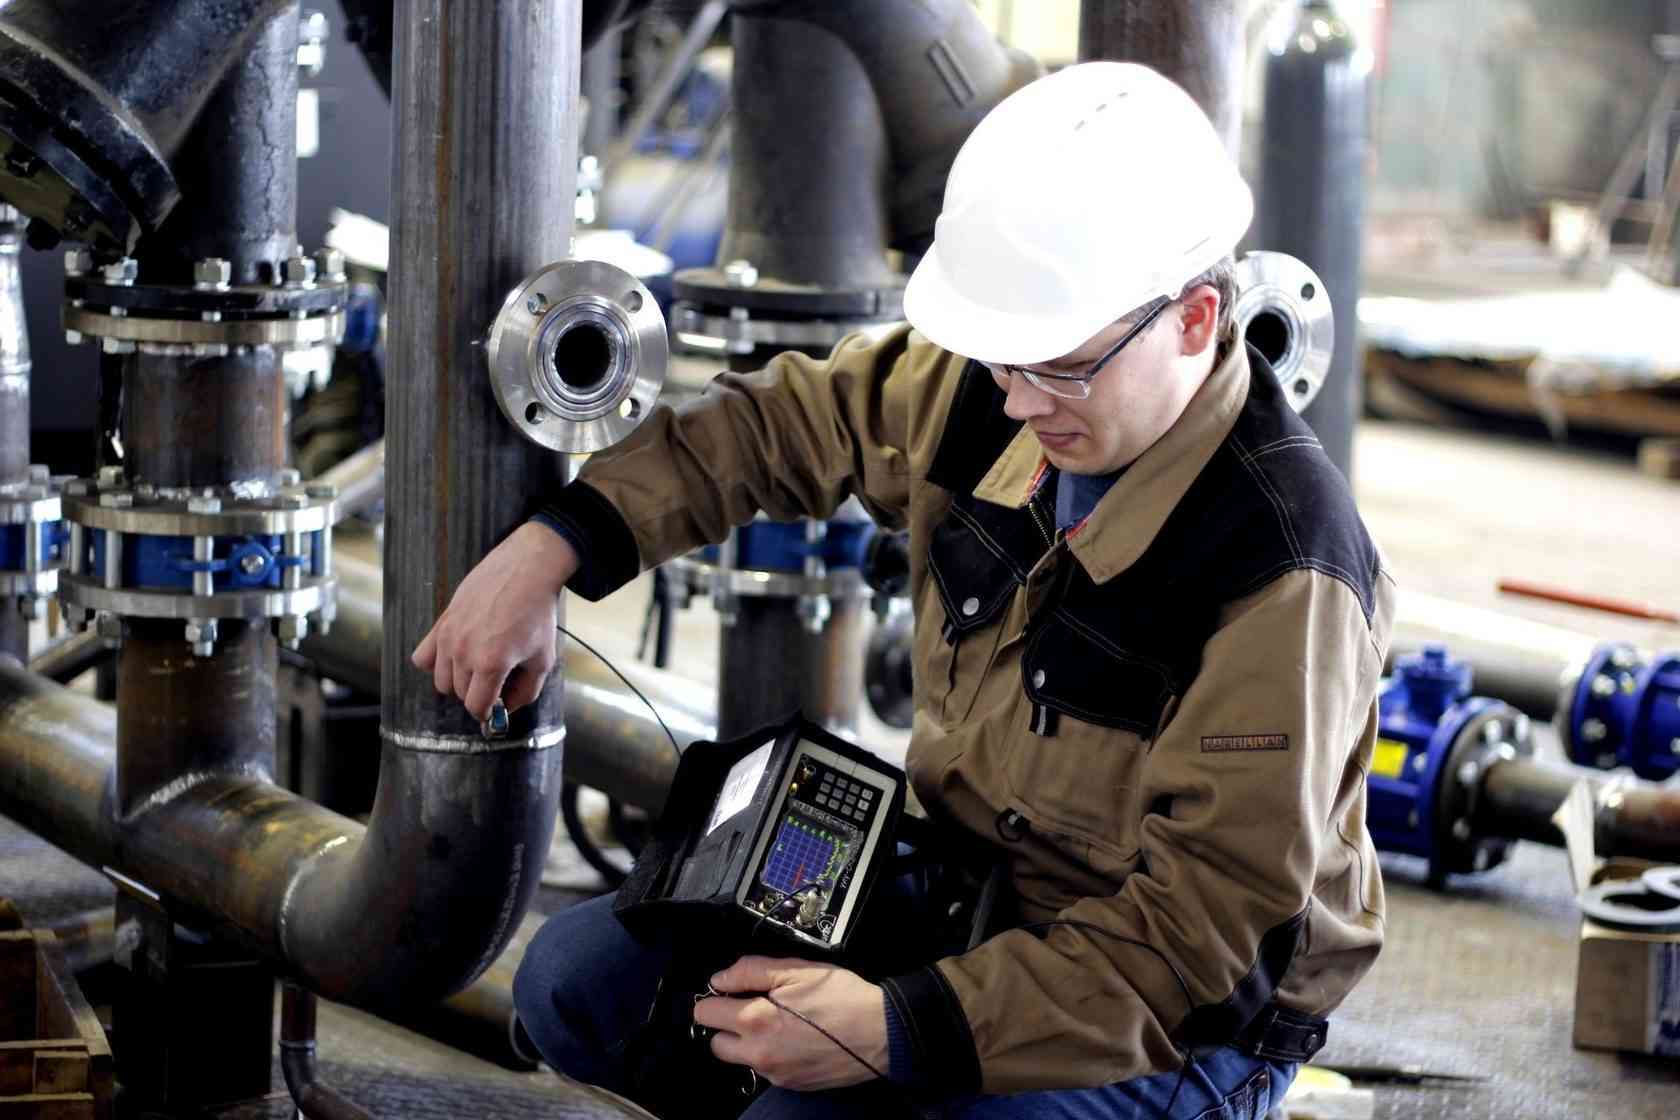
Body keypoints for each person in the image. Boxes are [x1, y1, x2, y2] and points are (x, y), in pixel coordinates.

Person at [414, 61, 1394, 1119]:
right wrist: (558, 543)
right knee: (577, 986)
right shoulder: (1003, 387)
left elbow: (1197, 951)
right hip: (973, 900)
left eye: (1058, 367)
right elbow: (784, 424)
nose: (1017, 404)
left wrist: (894, 1027)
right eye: (1003, 362)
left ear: (1196, 320)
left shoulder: (1283, 574)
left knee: (802, 1110)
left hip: (1171, 1024)